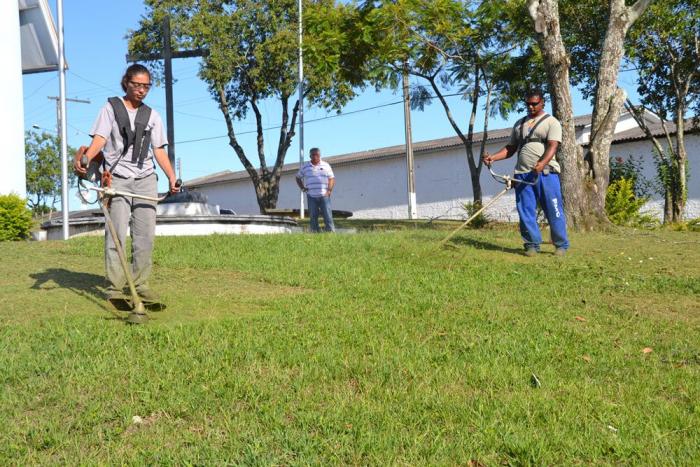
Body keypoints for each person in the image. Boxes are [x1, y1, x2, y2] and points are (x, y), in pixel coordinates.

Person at [74, 64, 179, 304]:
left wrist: (172, 177)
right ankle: (114, 288)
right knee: (116, 234)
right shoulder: (110, 108)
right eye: (137, 85)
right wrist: (88, 157)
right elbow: (100, 139)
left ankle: (141, 285)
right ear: (126, 83)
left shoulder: (152, 115)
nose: (142, 90)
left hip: (146, 180)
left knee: (145, 237)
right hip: (117, 178)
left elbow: (159, 150)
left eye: (146, 86)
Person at [483, 89, 570, 256]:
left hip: (546, 173)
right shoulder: (519, 124)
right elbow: (511, 148)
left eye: (534, 104)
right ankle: (531, 244)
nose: (531, 107)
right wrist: (492, 158)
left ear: (542, 103)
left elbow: (553, 146)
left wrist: (542, 163)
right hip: (522, 174)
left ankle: (561, 245)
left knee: (554, 209)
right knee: (525, 211)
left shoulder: (551, 122)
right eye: (528, 104)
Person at [296, 147, 336, 232]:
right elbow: (298, 177)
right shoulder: (305, 167)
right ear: (310, 156)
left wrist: (329, 191)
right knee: (313, 216)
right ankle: (314, 232)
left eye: (317, 155)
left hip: (324, 196)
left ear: (320, 155)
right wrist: (302, 188)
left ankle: (330, 232)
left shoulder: (326, 165)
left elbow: (331, 178)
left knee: (327, 215)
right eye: (313, 155)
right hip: (311, 196)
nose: (315, 156)